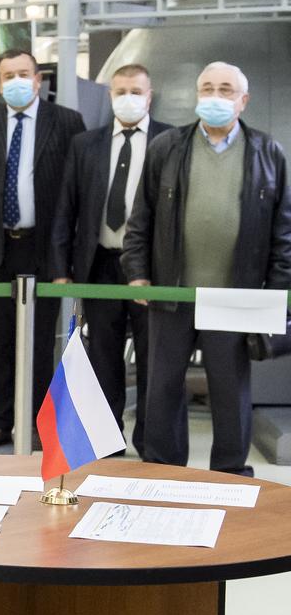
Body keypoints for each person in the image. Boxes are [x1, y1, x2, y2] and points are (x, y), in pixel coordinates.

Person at [123, 61, 291, 477]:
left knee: (230, 392)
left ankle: (230, 474)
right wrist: (137, 272)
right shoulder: (167, 147)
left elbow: (284, 232)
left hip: (235, 295)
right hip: (172, 292)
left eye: (226, 90)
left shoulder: (268, 153)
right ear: (198, 96)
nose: (215, 97)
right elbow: (140, 217)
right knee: (163, 387)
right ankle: (163, 471)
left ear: (243, 100)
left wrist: (277, 292)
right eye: (208, 88)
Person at [0, 49, 86, 449]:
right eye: (8, 75)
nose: (16, 80)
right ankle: (0, 422)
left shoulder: (66, 122)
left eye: (24, 73)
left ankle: (35, 422)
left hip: (43, 248)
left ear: (38, 79)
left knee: (37, 344)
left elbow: (74, 190)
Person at [52, 64, 172, 457]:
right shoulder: (86, 144)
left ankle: (151, 445)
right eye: (121, 90)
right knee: (104, 359)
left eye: (136, 90)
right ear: (110, 95)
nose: (129, 97)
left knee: (155, 360)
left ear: (150, 95)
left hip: (152, 271)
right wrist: (61, 268)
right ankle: (109, 444)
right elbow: (65, 209)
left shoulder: (170, 141)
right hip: (100, 266)